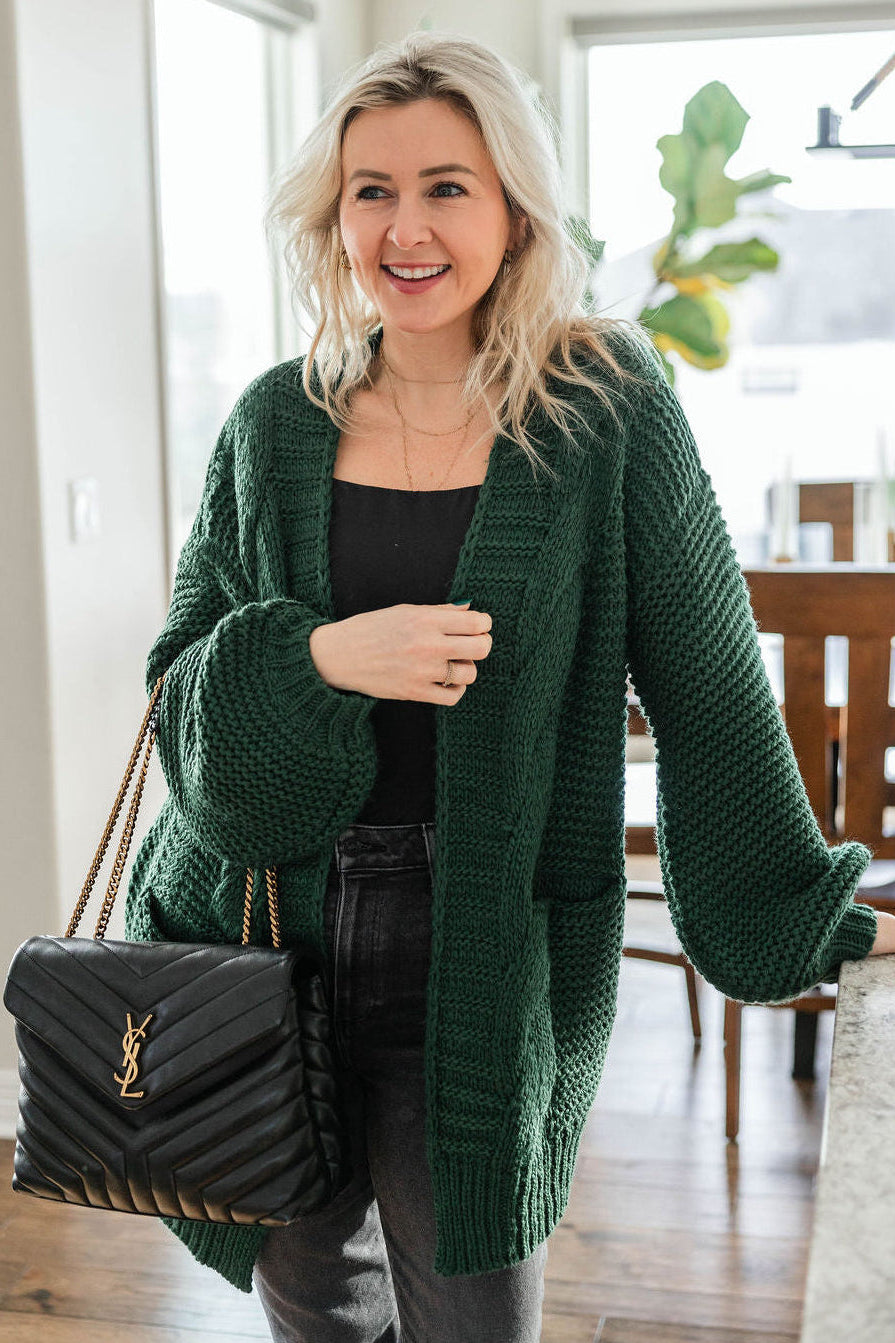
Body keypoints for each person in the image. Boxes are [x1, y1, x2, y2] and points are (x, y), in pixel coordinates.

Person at [124, 27, 895, 1343]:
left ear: (516, 212)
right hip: (261, 942)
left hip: (481, 944)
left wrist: (812, 911)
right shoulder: (272, 421)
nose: (406, 228)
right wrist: (322, 660)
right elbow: (182, 700)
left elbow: (711, 689)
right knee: (314, 1310)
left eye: (447, 187)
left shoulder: (605, 410)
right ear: (333, 218)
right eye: (372, 190)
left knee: (476, 1313)